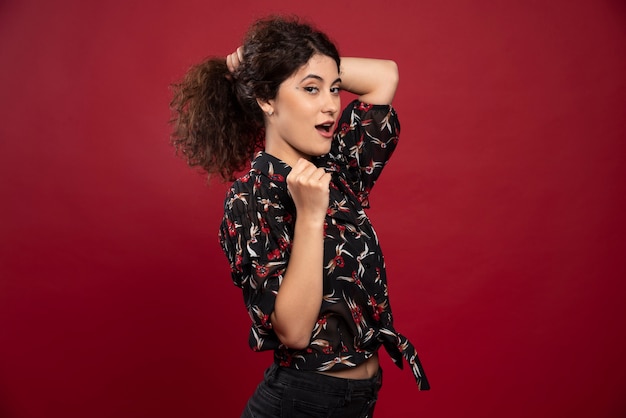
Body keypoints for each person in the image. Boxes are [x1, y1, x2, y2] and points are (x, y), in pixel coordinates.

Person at [170, 15, 429, 417]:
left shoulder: (338, 169)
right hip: (301, 403)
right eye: (311, 89)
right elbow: (293, 331)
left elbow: (385, 76)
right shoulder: (250, 196)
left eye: (335, 90)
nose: (330, 104)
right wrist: (310, 217)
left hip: (357, 401)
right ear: (267, 99)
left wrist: (275, 66)